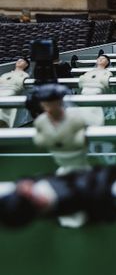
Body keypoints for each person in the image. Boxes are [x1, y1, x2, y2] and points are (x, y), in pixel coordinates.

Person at [32, 84, 91, 227]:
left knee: (81, 186)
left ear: (59, 102)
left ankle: (82, 210)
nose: (49, 107)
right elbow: (39, 138)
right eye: (45, 103)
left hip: (78, 161)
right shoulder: (41, 121)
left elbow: (82, 136)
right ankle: (68, 210)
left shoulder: (75, 119)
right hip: (61, 160)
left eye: (52, 102)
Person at [77, 55, 112, 126]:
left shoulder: (108, 73)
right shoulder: (88, 72)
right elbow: (82, 81)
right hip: (84, 93)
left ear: (107, 62)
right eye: (99, 58)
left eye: (103, 58)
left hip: (96, 94)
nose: (100, 59)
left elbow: (104, 82)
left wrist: (90, 81)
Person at [0, 57, 30, 128]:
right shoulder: (5, 74)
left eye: (22, 61)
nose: (19, 61)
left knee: (6, 95)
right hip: (1, 89)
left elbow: (18, 83)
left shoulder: (25, 75)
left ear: (26, 65)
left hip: (10, 91)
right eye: (18, 60)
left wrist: (6, 82)